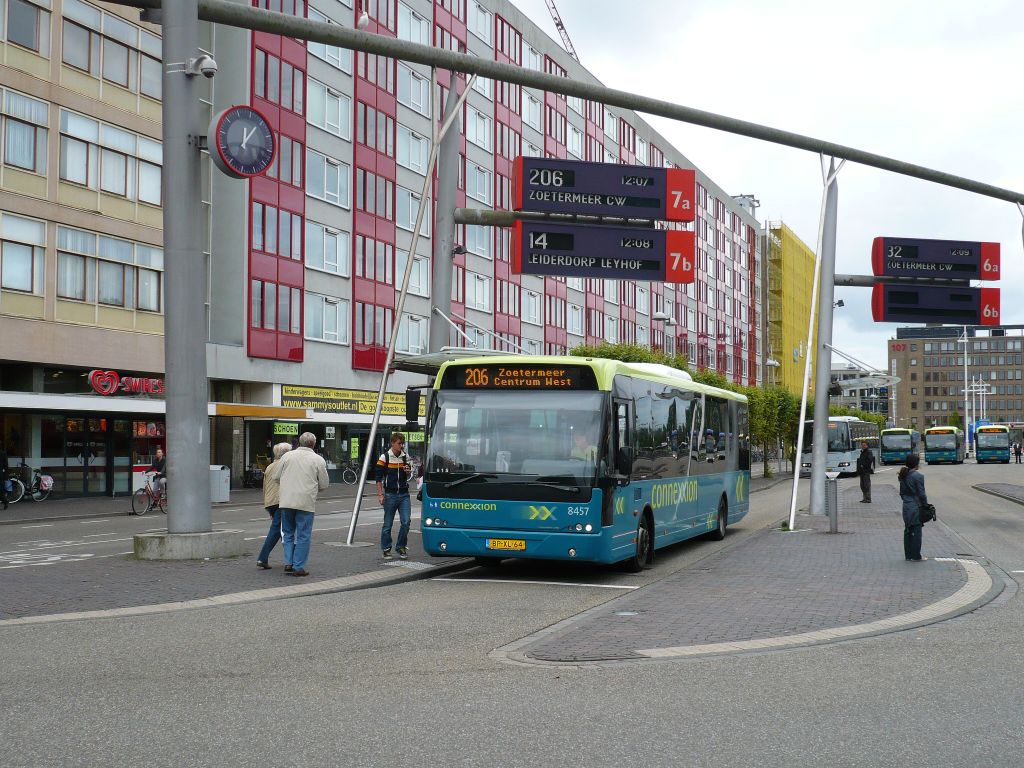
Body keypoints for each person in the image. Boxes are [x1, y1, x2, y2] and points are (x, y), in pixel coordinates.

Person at [269, 432, 329, 577]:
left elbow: (275, 477)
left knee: (288, 533)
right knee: (303, 535)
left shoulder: (287, 456)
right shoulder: (318, 460)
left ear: (299, 443)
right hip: (305, 502)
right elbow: (324, 484)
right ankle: (298, 566)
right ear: (313, 444)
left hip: (286, 501)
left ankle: (288, 562)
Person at [377, 432, 413, 560]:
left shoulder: (405, 456)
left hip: (404, 494)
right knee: (387, 524)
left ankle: (401, 546)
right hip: (390, 494)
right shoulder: (385, 457)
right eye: (399, 443)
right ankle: (386, 549)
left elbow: (409, 473)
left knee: (406, 522)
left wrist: (408, 472)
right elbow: (378, 478)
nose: (401, 446)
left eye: (402, 443)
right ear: (392, 443)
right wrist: (380, 495)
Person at [256, 442, 291, 570]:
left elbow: (265, 487)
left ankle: (290, 558)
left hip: (270, 501)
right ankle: (263, 558)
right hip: (281, 501)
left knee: (281, 530)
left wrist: (267, 505)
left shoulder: (270, 466)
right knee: (278, 530)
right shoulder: (286, 465)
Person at [898, 454, 928, 562]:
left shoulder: (903, 475)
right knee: (916, 530)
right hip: (915, 506)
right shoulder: (918, 476)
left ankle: (908, 555)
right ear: (916, 463)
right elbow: (922, 494)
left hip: (906, 506)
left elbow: (901, 493)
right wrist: (925, 505)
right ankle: (916, 556)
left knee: (907, 530)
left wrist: (907, 500)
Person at [0, 441, 8, 511]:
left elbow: (6, 466)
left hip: (0, 475)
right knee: (1, 491)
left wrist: (5, 476)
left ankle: (5, 501)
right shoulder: (3, 453)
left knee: (1, 491)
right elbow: (6, 466)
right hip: (1, 475)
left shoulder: (3, 453)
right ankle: (5, 502)